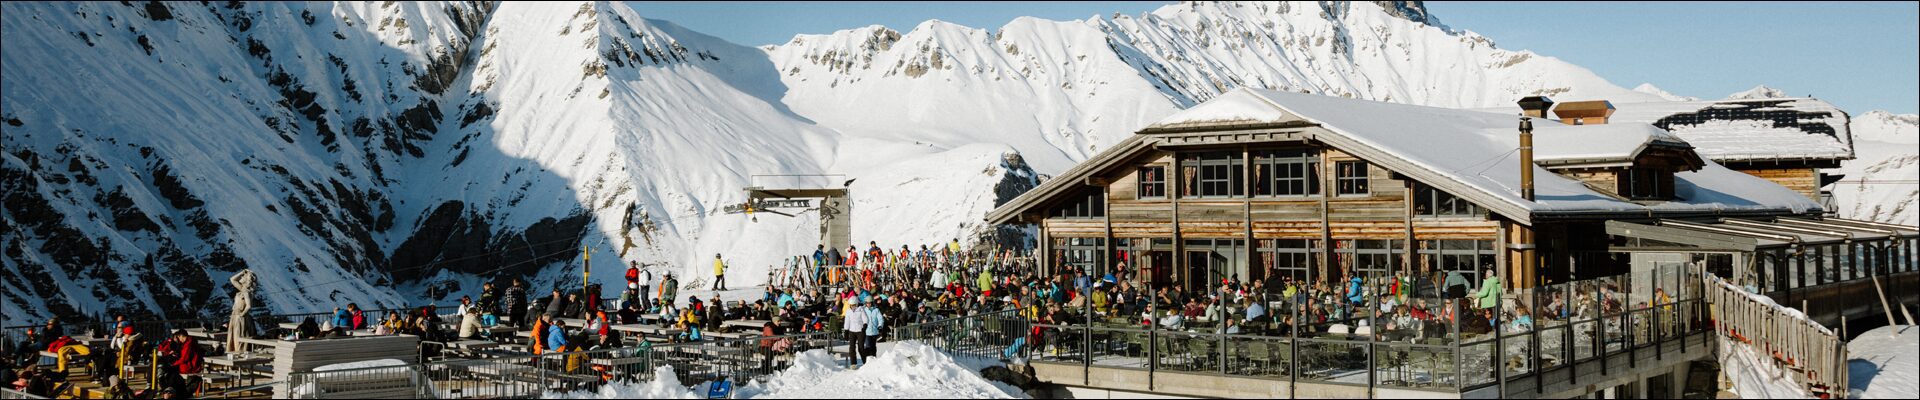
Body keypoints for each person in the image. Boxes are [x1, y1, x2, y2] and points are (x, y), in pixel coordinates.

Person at [843, 299, 869, 366]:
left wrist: (865, 325)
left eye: (854, 305)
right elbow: (847, 322)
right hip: (852, 331)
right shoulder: (848, 311)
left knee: (861, 347)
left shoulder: (861, 310)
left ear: (856, 304)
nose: (852, 307)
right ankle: (853, 363)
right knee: (852, 348)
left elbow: (865, 319)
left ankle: (865, 362)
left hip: (860, 331)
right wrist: (846, 331)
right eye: (851, 305)